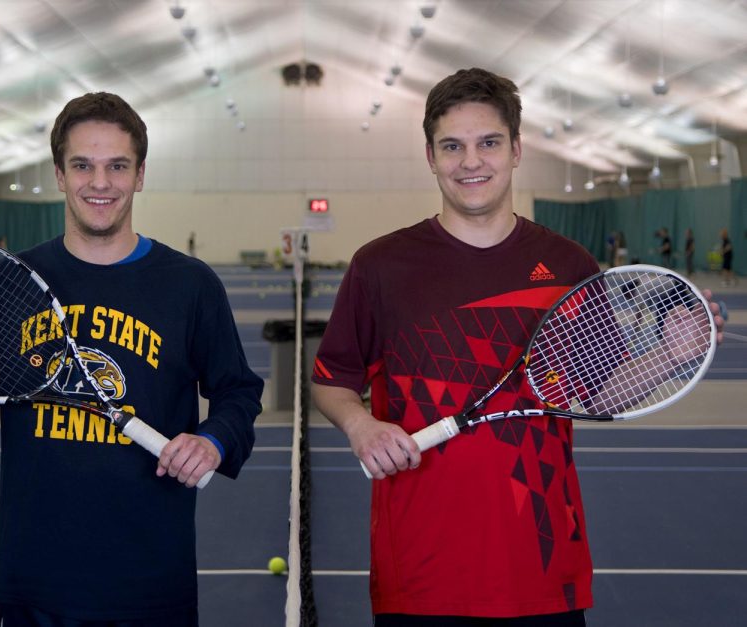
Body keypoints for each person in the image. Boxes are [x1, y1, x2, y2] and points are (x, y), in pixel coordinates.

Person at [310, 68, 725, 626]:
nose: (471, 161)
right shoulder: (379, 266)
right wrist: (361, 427)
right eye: (452, 146)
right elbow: (332, 378)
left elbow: (602, 390)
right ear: (431, 156)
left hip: (543, 567)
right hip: (420, 575)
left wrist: (675, 356)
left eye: (488, 143)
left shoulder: (570, 265)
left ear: (516, 150)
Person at [0, 92, 263, 626]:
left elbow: (238, 391)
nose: (99, 183)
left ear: (140, 174)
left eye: (116, 166)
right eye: (83, 165)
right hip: (35, 583)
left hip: (149, 582)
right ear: (60, 173)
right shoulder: (11, 279)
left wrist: (212, 440)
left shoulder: (190, 286)